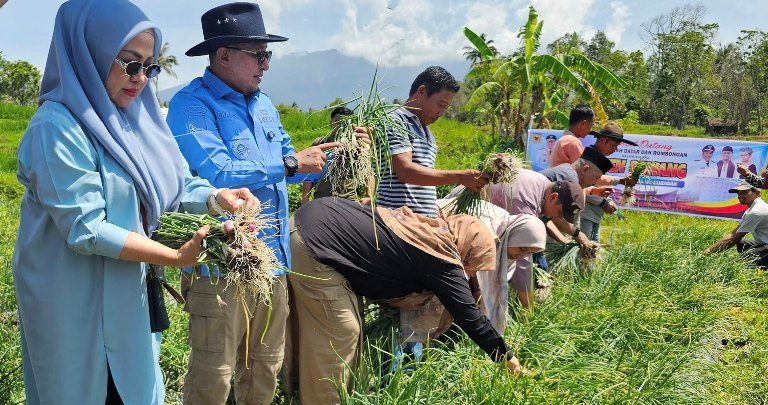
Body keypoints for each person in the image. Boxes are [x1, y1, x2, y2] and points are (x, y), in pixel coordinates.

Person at [12, 1, 256, 403]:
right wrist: (173, 257)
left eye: (150, 66)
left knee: (134, 387)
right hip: (75, 303)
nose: (141, 79)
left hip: (129, 294)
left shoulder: (138, 121)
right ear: (90, 54)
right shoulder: (57, 127)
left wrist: (215, 198)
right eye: (129, 64)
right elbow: (86, 228)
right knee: (85, 391)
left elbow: (175, 185)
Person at [165, 3, 358, 404]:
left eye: (267, 55)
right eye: (259, 55)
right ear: (223, 55)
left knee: (265, 369)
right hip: (222, 264)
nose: (265, 65)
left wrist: (338, 153)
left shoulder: (264, 104)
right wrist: (289, 164)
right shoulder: (192, 106)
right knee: (213, 376)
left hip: (271, 262)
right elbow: (217, 174)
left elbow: (296, 166)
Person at [289, 198, 523, 404]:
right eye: (472, 266)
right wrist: (506, 357)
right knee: (342, 332)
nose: (470, 274)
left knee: (320, 326)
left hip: (313, 220)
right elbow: (470, 317)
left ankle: (294, 389)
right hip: (313, 243)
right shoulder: (442, 257)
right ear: (468, 250)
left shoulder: (428, 232)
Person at [448, 175, 585, 309]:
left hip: (475, 229)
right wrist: (527, 307)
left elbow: (543, 222)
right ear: (553, 197)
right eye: (559, 212)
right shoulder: (524, 199)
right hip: (454, 220)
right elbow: (521, 259)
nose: (558, 217)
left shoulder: (544, 187)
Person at [377, 66, 489, 218]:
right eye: (441, 105)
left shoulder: (428, 132)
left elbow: (424, 177)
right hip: (399, 219)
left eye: (446, 108)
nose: (441, 113)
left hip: (424, 221)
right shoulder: (395, 120)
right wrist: (460, 176)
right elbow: (405, 171)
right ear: (421, 92)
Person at [580, 122, 639, 242]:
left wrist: (608, 200)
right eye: (613, 145)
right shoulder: (588, 157)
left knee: (591, 255)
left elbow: (599, 183)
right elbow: (582, 187)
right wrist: (603, 203)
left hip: (595, 215)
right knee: (582, 252)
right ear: (603, 140)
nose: (615, 149)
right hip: (584, 214)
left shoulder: (599, 158)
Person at [301, 106, 368, 204]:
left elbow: (368, 172)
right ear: (331, 122)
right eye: (337, 121)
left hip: (349, 201)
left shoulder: (357, 145)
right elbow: (308, 173)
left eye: (345, 122)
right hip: (321, 200)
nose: (341, 125)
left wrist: (368, 196)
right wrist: (305, 199)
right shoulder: (320, 143)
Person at [705, 180, 768, 268]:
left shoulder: (756, 211)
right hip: (764, 242)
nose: (740, 196)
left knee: (748, 256)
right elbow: (734, 233)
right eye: (739, 193)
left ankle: (756, 272)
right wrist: (710, 250)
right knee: (742, 244)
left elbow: (734, 239)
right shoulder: (752, 208)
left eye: (744, 192)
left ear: (757, 193)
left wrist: (708, 252)